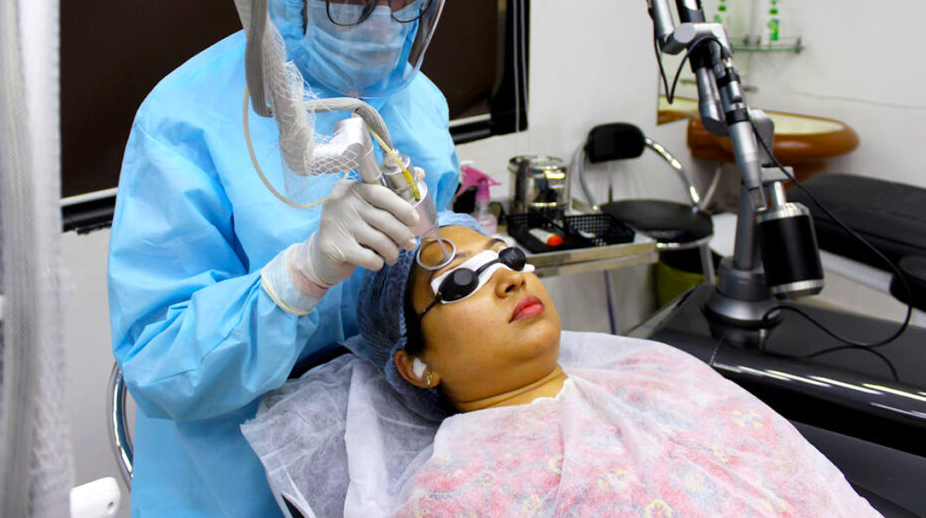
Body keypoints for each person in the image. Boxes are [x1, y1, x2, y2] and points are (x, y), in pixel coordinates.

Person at [107, 0, 461, 515]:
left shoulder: (420, 102)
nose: (383, 25)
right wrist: (299, 275)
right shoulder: (185, 120)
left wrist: (457, 252)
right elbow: (159, 362)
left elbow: (429, 237)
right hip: (233, 489)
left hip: (381, 473)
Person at [241, 216, 879, 516]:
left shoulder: (654, 371)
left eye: (510, 257)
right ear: (417, 366)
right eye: (461, 282)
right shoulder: (459, 494)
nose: (510, 279)